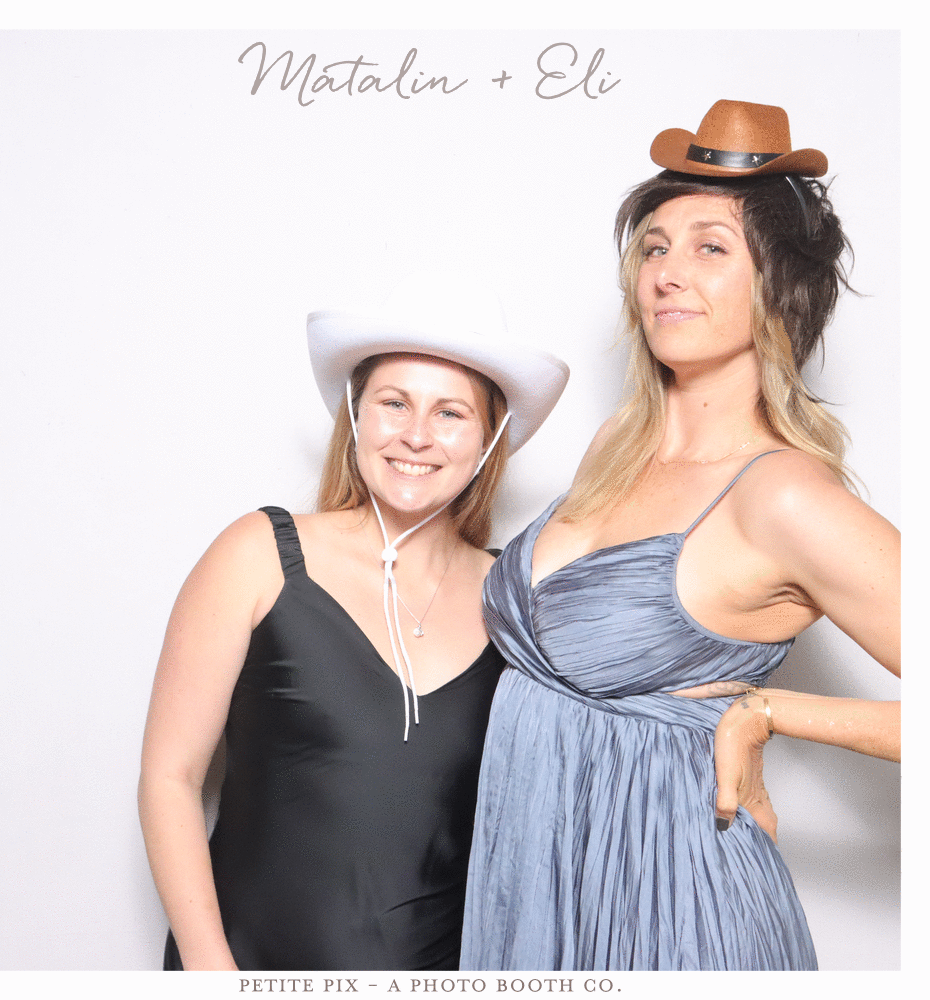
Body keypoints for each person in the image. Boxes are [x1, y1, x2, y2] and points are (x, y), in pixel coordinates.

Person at [459, 100, 900, 971]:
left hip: (680, 910)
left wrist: (768, 712)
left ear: (778, 285)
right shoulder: (614, 447)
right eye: (654, 248)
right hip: (539, 886)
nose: (667, 273)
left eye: (710, 248)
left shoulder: (783, 497)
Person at [137, 272, 569, 971]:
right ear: (356, 414)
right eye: (394, 403)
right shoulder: (258, 555)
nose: (417, 436)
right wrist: (212, 972)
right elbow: (170, 777)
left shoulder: (515, 601)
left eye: (451, 413)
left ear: (491, 440)